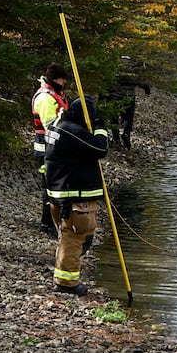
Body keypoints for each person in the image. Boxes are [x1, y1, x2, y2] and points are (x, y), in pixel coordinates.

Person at [44, 97, 109, 295]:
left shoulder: (57, 124)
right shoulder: (72, 131)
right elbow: (100, 148)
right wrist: (99, 126)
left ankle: (63, 271)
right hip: (73, 196)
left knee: (69, 236)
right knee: (74, 237)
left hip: (59, 192)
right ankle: (66, 282)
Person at [31, 63, 71, 238]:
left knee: (54, 186)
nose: (64, 83)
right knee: (50, 187)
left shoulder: (54, 94)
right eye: (63, 80)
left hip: (53, 147)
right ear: (56, 79)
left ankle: (51, 221)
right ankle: (47, 223)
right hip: (47, 149)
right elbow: (50, 126)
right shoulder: (46, 98)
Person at [101, 74, 150, 149]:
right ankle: (126, 133)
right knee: (128, 117)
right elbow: (136, 79)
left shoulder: (111, 67)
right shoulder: (129, 68)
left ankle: (116, 137)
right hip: (128, 96)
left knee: (113, 116)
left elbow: (105, 78)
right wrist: (146, 88)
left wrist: (102, 95)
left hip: (112, 96)